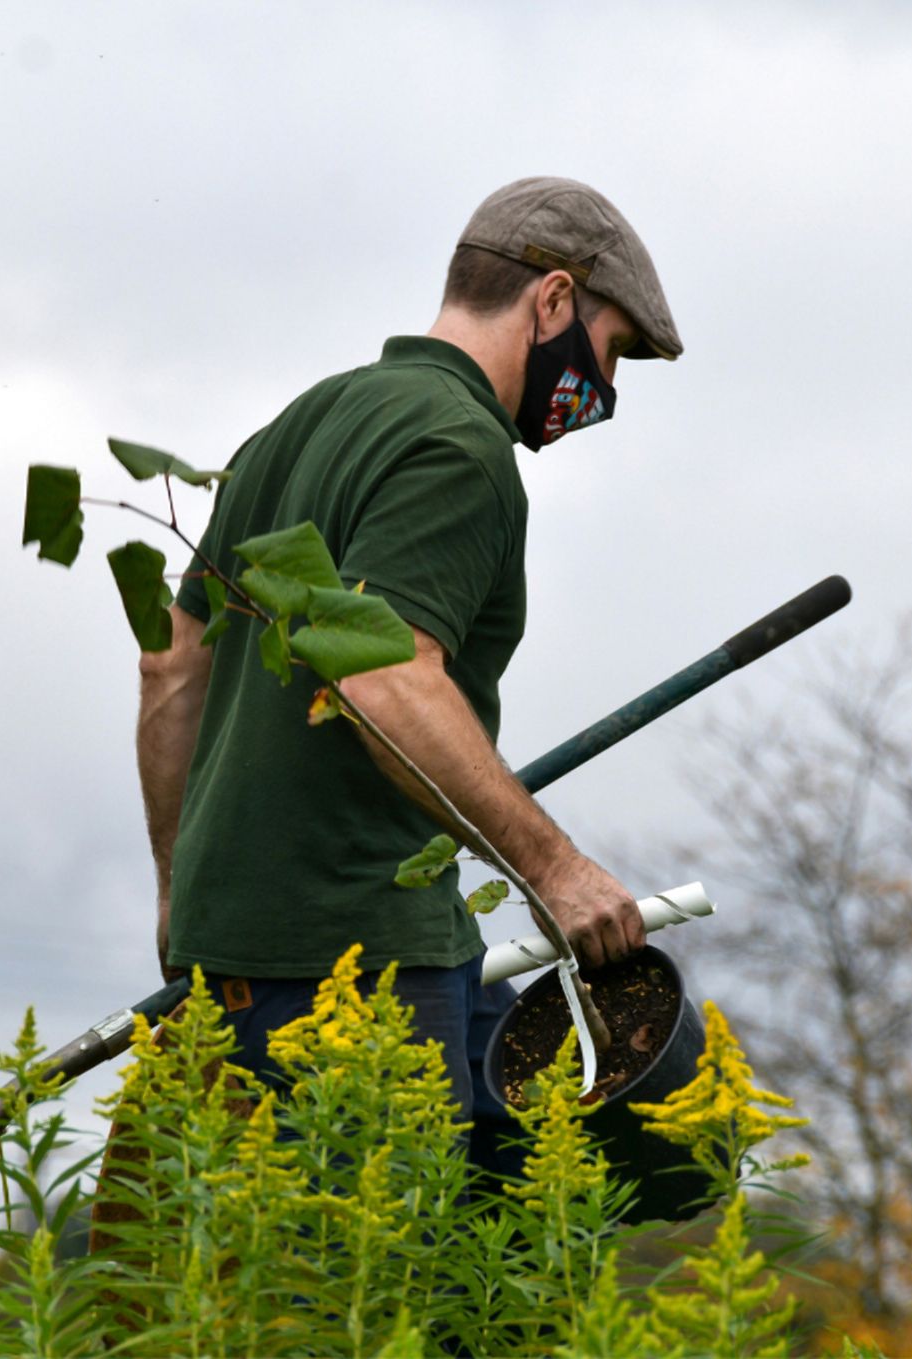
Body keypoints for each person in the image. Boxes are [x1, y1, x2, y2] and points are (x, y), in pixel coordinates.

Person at [131, 176, 683, 1175]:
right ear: (552, 301)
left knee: (473, 1266)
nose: (604, 391)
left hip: (242, 969)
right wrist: (556, 872)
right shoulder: (458, 446)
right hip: (362, 968)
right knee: (372, 1306)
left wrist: (183, 892)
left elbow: (174, 667)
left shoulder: (299, 427)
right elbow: (382, 677)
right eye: (612, 353)